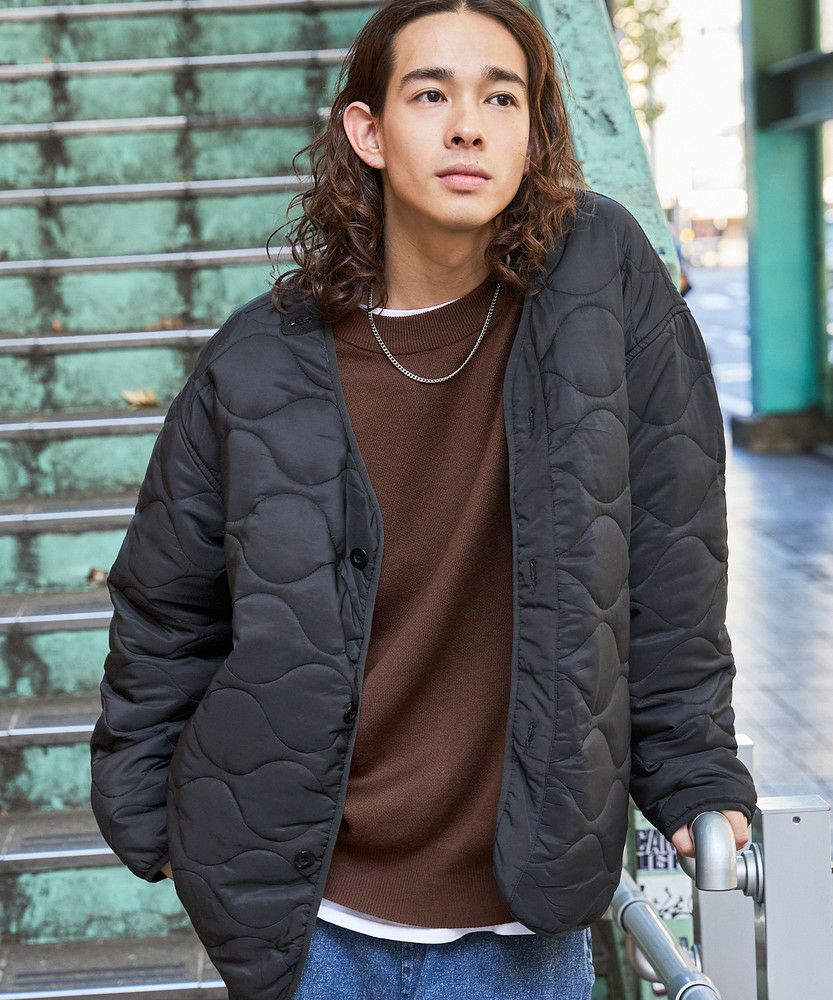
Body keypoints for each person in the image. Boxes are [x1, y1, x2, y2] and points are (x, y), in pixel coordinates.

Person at [90, 3, 757, 999]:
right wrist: (157, 821)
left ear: (532, 131)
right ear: (367, 131)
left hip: (518, 927)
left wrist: (692, 767)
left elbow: (671, 555)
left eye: (501, 98)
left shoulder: (601, 289)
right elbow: (165, 607)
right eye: (430, 94)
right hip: (309, 928)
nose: (467, 127)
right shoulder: (259, 361)